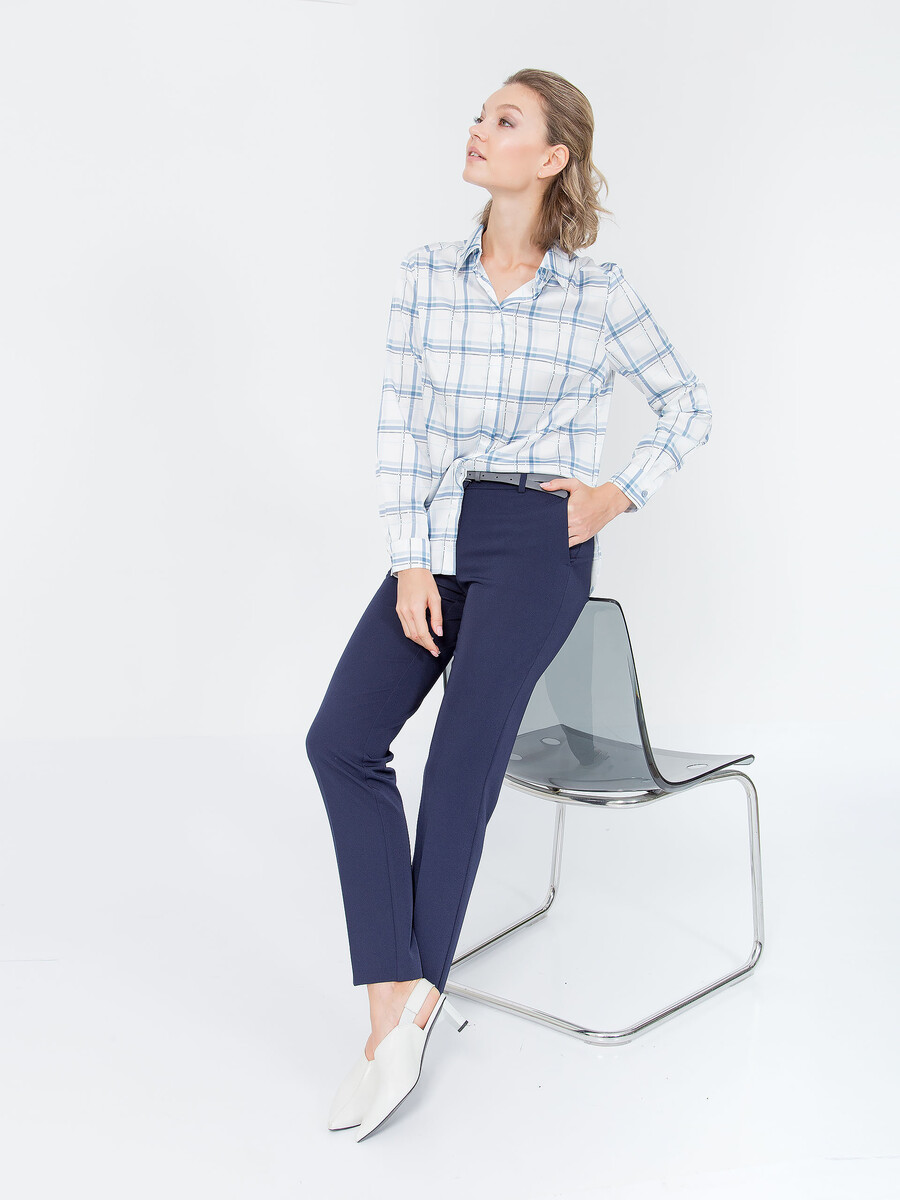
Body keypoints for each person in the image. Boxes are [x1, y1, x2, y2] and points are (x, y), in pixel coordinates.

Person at [305, 67, 712, 1141]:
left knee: (461, 759)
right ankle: (397, 993)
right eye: (482, 115)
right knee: (341, 739)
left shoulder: (597, 292)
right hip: (439, 534)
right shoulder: (424, 277)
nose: (479, 130)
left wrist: (618, 492)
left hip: (540, 538)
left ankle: (403, 1016)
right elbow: (400, 427)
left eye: (505, 120)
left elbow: (688, 402)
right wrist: (410, 562)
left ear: (553, 157)